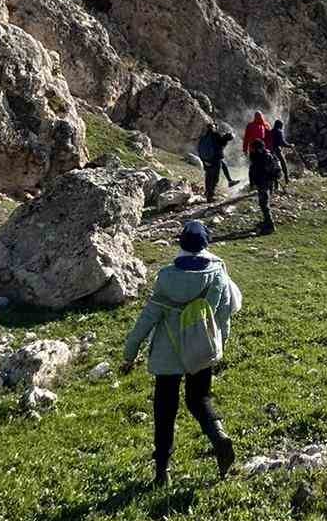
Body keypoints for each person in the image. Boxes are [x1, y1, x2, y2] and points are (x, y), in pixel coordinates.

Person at [120, 220, 240, 487]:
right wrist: (219, 347)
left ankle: (162, 471)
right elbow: (223, 317)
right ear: (206, 244)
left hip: (167, 354)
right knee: (199, 399)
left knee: (165, 410)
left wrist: (130, 353)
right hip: (201, 349)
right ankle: (219, 436)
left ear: (181, 244)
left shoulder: (166, 276)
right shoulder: (217, 275)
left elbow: (148, 318)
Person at [248, 138, 280, 233]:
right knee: (263, 204)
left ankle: (270, 225)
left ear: (258, 148)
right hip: (261, 182)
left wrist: (270, 178)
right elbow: (252, 170)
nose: (252, 150)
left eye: (253, 148)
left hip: (265, 182)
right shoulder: (257, 156)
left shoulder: (266, 157)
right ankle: (267, 221)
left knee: (264, 204)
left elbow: (272, 170)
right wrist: (252, 183)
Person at [197, 123, 235, 203]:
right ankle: (210, 196)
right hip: (215, 160)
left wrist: (204, 160)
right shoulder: (216, 135)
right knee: (215, 178)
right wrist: (228, 137)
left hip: (206, 160)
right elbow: (222, 143)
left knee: (208, 177)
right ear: (213, 128)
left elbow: (199, 150)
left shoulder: (203, 138)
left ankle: (208, 193)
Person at [268, 118, 290, 186]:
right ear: (280, 125)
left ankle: (275, 183)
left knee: (273, 166)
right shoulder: (279, 131)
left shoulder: (271, 131)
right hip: (277, 150)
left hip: (270, 151)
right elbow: (282, 143)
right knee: (283, 163)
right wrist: (290, 146)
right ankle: (286, 178)